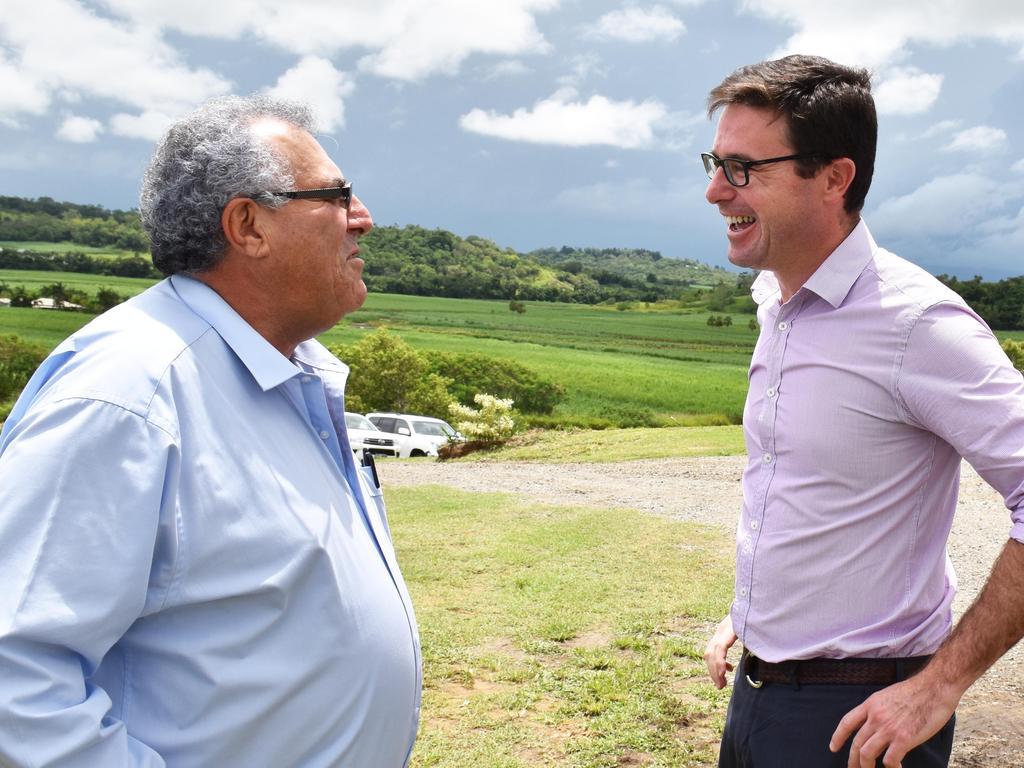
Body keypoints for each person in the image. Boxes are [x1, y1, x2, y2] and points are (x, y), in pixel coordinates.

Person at [0, 95, 421, 766]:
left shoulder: (288, 370)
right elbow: (14, 681)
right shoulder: (128, 394)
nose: (363, 220)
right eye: (337, 197)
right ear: (248, 225)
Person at [700, 55, 1024, 768]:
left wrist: (941, 685)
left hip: (857, 722)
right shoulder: (774, 302)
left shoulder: (919, 325)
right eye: (715, 162)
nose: (714, 191)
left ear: (835, 178)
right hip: (757, 698)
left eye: (743, 169)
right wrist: (755, 617)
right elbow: (811, 492)